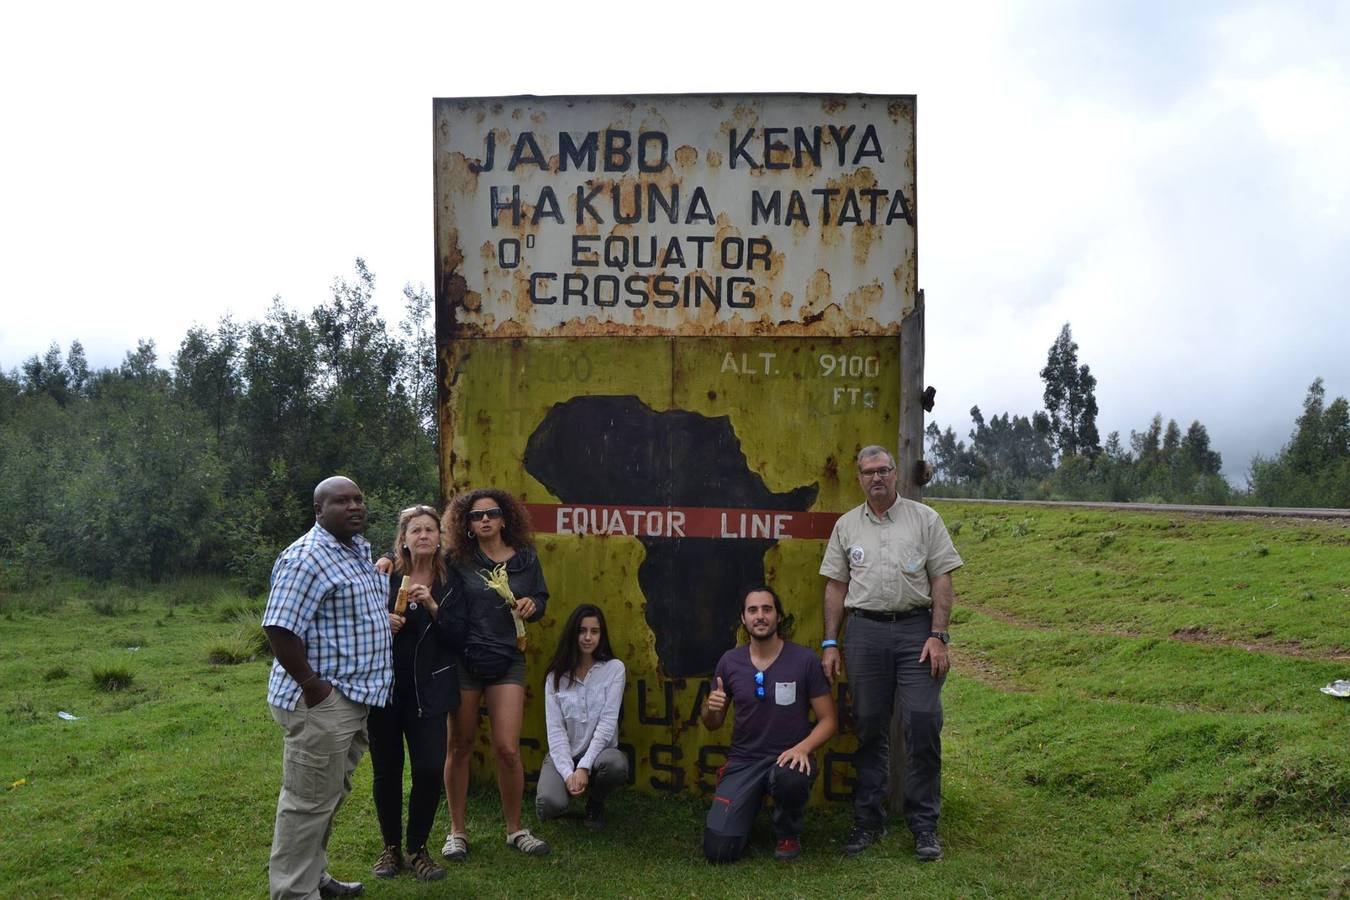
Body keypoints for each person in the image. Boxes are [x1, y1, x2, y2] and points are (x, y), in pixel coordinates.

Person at [819, 445, 963, 861]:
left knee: (923, 721)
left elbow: (942, 579)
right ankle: (869, 820)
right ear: (859, 479)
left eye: (883, 470)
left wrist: (939, 635)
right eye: (868, 472)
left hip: (917, 632)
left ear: (896, 474)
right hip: (864, 632)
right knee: (868, 726)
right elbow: (836, 586)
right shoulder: (847, 525)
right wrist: (830, 642)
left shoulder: (925, 519)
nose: (876, 478)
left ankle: (924, 824)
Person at [262, 476, 392, 900]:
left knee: (327, 796)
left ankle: (313, 876)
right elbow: (279, 628)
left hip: (352, 699)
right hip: (321, 702)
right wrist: (313, 687)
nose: (354, 506)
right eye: (341, 501)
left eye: (358, 499)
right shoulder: (307, 557)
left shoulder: (352, 550)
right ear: (318, 510)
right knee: (307, 802)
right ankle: (294, 892)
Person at [441, 488, 550, 860]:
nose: (484, 519)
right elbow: (417, 556)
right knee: (460, 745)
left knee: (507, 748)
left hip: (507, 658)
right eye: (476, 516)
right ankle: (457, 831)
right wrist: (388, 559)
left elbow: (541, 599)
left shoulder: (526, 558)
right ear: (467, 524)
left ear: (505, 519)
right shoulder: (457, 559)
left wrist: (533, 605)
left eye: (492, 513)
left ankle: (515, 829)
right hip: (466, 659)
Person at [701, 585, 837, 863]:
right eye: (753, 610)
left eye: (767, 609)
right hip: (744, 761)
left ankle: (788, 832)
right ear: (743, 618)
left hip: (788, 758)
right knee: (718, 851)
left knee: (790, 777)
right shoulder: (730, 661)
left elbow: (829, 720)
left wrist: (803, 748)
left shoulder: (804, 660)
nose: (760, 616)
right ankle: (743, 810)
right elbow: (712, 723)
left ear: (778, 616)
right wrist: (710, 708)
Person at [366, 505, 462, 883]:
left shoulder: (452, 580)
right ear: (403, 540)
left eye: (429, 530)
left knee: (428, 769)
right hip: (387, 690)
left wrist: (433, 606)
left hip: (431, 690)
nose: (423, 535)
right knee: (387, 770)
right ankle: (391, 847)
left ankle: (418, 847)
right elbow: (360, 624)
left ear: (439, 538)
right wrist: (382, 624)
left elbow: (459, 636)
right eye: (416, 530)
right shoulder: (384, 576)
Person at [537, 604, 628, 829]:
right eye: (582, 631)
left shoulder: (614, 669)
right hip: (565, 752)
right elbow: (556, 731)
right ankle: (562, 788)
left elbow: (607, 724)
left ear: (601, 635)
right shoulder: (555, 677)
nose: (588, 637)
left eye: (594, 631)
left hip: (599, 755)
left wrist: (584, 767)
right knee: (549, 805)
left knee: (616, 765)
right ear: (572, 633)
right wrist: (569, 773)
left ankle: (595, 803)